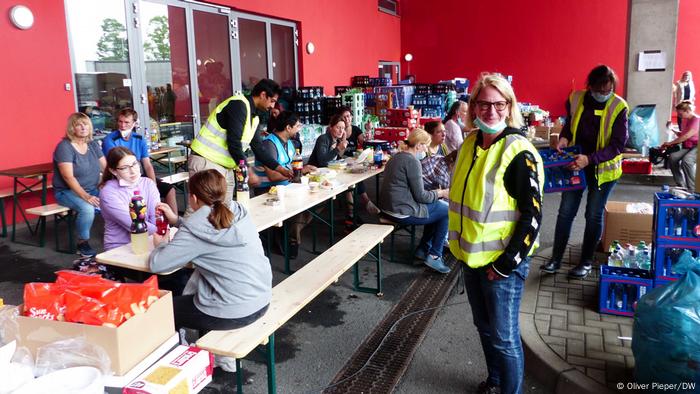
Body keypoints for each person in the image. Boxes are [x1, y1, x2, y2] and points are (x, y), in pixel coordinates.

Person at [448, 73, 544, 394]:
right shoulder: (470, 144)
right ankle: (496, 382)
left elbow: (532, 217)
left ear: (509, 106)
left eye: (499, 104)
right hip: (472, 259)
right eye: (484, 103)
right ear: (473, 106)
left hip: (502, 266)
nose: (491, 111)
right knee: (485, 329)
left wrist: (505, 265)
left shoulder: (518, 152)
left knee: (504, 339)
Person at [149, 169, 272, 335]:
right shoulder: (237, 211)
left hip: (234, 310)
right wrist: (177, 221)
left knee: (160, 311)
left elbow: (158, 264)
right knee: (199, 295)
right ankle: (213, 356)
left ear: (192, 198)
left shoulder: (195, 228)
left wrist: (161, 245)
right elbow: (210, 229)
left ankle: (179, 354)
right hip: (262, 298)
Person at [542, 65, 629, 279]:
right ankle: (555, 258)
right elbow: (570, 124)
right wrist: (564, 137)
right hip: (575, 164)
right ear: (589, 86)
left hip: (603, 171)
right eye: (599, 90)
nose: (602, 95)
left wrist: (589, 159)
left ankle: (586, 262)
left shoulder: (619, 107)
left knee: (593, 215)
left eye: (607, 91)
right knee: (565, 212)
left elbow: (618, 145)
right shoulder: (577, 98)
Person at [189, 78, 293, 203]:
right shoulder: (238, 105)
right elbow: (234, 143)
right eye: (272, 101)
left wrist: (281, 169)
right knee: (199, 211)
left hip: (225, 167)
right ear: (263, 94)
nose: (272, 106)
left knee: (222, 213)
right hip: (206, 162)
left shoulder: (254, 118)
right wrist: (248, 171)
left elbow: (259, 148)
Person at [378, 128, 450, 274]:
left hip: (387, 207)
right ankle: (435, 255)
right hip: (400, 211)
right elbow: (421, 197)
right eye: (425, 146)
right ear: (418, 145)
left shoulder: (396, 157)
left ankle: (423, 249)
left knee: (437, 209)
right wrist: (441, 192)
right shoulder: (413, 162)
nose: (426, 149)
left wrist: (435, 195)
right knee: (446, 211)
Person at [253, 111, 317, 258]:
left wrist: (302, 171)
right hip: (268, 190)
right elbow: (273, 175)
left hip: (286, 186)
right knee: (301, 206)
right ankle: (290, 239)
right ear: (288, 127)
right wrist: (301, 171)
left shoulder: (289, 143)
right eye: (297, 126)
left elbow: (294, 166)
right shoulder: (269, 144)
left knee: (316, 200)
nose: (299, 129)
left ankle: (289, 235)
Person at [101, 108, 178, 213]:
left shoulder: (140, 139)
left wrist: (153, 185)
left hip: (138, 176)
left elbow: (147, 165)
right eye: (120, 121)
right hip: (121, 178)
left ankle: (174, 222)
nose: (122, 126)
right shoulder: (109, 140)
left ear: (134, 123)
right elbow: (116, 167)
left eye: (126, 122)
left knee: (170, 189)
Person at [52, 113, 107, 257]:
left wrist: (104, 182)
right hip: (67, 191)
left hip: (92, 188)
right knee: (87, 209)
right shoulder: (64, 147)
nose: (83, 127)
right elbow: (68, 177)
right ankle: (82, 243)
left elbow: (106, 168)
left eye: (86, 124)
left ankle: (119, 235)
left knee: (115, 197)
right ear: (72, 128)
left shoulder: (92, 144)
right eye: (78, 124)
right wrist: (86, 196)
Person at [98, 147, 160, 251]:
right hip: (121, 247)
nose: (133, 171)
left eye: (135, 164)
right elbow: (134, 224)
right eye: (125, 168)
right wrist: (163, 234)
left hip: (151, 240)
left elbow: (156, 216)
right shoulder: (108, 192)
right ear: (113, 171)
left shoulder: (148, 183)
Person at [663, 100, 699, 190]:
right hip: (689, 146)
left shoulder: (696, 120)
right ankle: (681, 185)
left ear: (688, 111)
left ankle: (693, 188)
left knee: (687, 161)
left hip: (697, 146)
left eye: (680, 114)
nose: (679, 116)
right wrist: (671, 128)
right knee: (673, 157)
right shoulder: (685, 120)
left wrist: (670, 143)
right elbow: (682, 134)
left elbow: (686, 136)